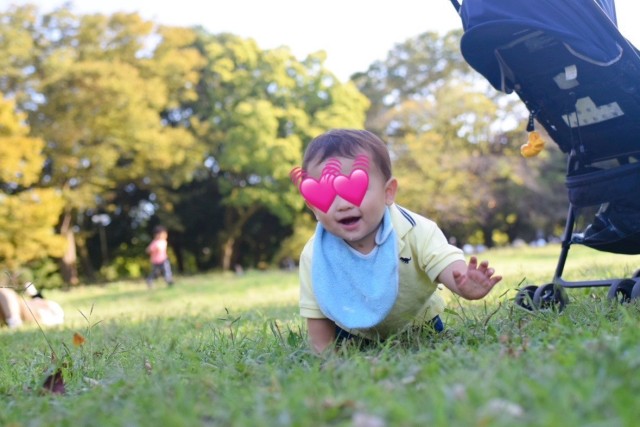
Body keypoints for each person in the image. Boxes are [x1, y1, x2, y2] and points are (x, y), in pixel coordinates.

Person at [296, 129, 502, 353]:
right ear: (313, 205)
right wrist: (327, 357)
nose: (343, 204)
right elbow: (316, 311)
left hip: (419, 324)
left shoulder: (415, 230)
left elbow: (444, 262)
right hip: (349, 329)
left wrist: (464, 283)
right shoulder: (316, 254)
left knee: (431, 347)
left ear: (388, 192)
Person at [0, 282, 64, 328]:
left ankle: (14, 321)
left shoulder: (51, 307)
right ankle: (14, 321)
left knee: (4, 292)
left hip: (27, 311)